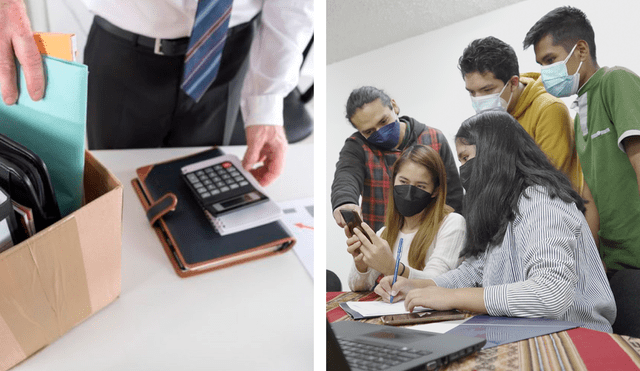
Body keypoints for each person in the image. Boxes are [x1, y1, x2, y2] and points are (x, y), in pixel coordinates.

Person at [0, 0, 314, 187]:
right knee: (117, 187)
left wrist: (267, 101)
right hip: (124, 51)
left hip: (225, 53)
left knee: (201, 190)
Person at [375, 111, 616, 333]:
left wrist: (452, 297)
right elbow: (472, 271)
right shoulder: (505, 206)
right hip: (528, 331)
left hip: (575, 337)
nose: (463, 171)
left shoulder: (542, 202)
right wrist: (419, 287)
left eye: (466, 158)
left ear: (494, 153)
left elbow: (550, 293)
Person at [524, 6, 640, 337]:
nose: (545, 72)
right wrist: (591, 262)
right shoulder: (580, 112)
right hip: (615, 265)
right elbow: (589, 193)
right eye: (541, 65)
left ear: (581, 50)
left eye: (550, 60)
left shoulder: (616, 81)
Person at [458, 36, 582, 192]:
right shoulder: (490, 121)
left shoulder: (549, 109)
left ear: (513, 83)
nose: (478, 99)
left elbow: (547, 183)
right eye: (472, 92)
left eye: (487, 90)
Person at [331, 86, 463, 232]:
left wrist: (454, 233)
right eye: (369, 131)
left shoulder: (434, 138)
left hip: (431, 236)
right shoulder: (356, 146)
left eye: (383, 121)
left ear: (394, 106)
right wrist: (345, 201)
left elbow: (452, 193)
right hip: (382, 239)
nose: (380, 133)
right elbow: (346, 175)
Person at [347, 144, 465, 291]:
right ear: (394, 180)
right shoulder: (384, 233)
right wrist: (361, 264)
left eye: (420, 186)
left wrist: (392, 268)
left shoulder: (452, 224)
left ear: (435, 191)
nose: (409, 193)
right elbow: (358, 288)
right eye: (403, 182)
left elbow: (437, 281)